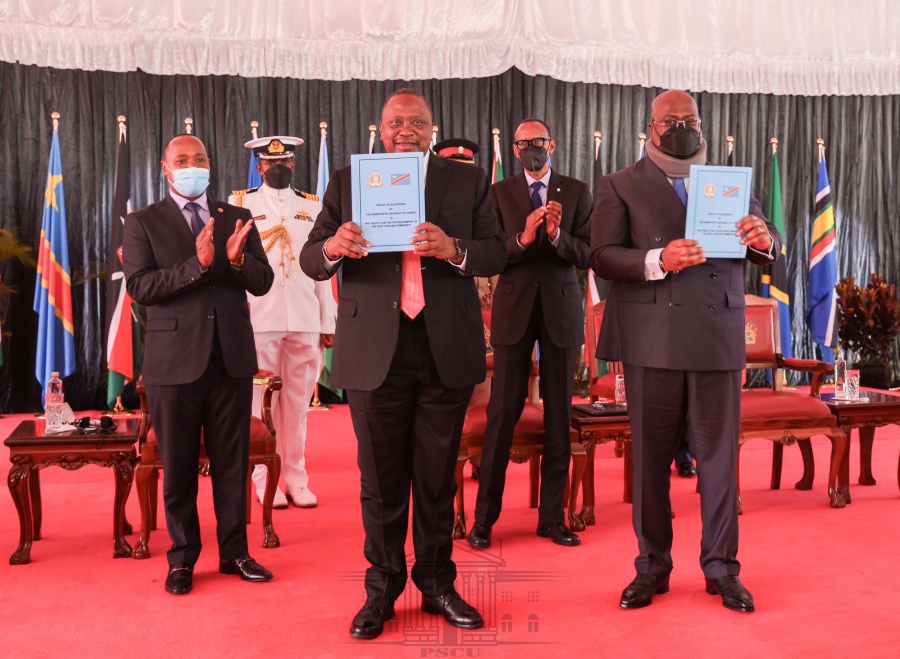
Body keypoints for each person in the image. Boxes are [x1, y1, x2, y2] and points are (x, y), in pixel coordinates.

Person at [299, 88, 506, 640]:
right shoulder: (348, 181)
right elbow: (310, 259)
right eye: (396, 122)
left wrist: (454, 248)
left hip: (444, 345)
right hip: (374, 351)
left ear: (432, 128)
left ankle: (438, 582)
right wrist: (336, 247)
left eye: (417, 122)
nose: (406, 130)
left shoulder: (466, 179)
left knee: (438, 478)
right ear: (380, 128)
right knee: (381, 480)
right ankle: (382, 588)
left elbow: (497, 250)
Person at [590, 89, 781, 613]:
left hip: (717, 336)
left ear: (702, 124)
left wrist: (762, 237)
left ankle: (722, 569)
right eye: (669, 119)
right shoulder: (619, 184)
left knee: (719, 462)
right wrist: (658, 258)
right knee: (650, 462)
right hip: (652, 340)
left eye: (689, 119)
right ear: (649, 128)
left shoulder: (728, 183)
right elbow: (601, 256)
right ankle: (651, 567)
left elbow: (770, 246)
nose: (680, 126)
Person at [123, 134, 275, 595]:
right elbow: (140, 287)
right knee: (180, 466)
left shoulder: (237, 216)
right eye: (183, 160)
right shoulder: (142, 221)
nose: (194, 166)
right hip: (173, 364)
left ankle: (235, 553)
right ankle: (183, 559)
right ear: (166, 170)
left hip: (230, 359)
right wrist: (198, 264)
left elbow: (263, 282)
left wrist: (238, 258)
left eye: (201, 158)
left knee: (233, 465)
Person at [467, 118, 592, 550]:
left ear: (552, 144)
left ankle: (552, 518)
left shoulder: (575, 191)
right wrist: (522, 238)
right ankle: (484, 519)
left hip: (560, 311)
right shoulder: (499, 193)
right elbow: (492, 254)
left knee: (559, 414)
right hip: (514, 310)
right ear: (514, 150)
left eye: (537, 142)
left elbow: (589, 252)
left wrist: (557, 235)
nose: (530, 150)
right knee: (503, 412)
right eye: (522, 144)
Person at [229, 135, 336, 509]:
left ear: (293, 164)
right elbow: (233, 270)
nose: (278, 167)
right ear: (258, 166)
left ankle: (295, 477)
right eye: (270, 162)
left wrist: (328, 320)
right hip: (259, 318)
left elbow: (322, 265)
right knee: (261, 405)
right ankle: (265, 480)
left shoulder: (313, 205)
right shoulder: (239, 204)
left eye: (285, 162)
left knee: (298, 404)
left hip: (304, 316)